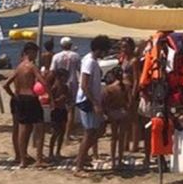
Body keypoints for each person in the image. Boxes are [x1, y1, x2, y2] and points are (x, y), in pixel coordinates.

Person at [4, 42, 49, 167]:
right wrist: (50, 96)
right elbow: (43, 82)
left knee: (22, 129)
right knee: (39, 127)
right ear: (29, 52)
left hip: (19, 99)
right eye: (35, 53)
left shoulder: (18, 67)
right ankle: (38, 159)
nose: (36, 56)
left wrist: (13, 95)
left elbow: (6, 84)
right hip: (30, 98)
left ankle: (22, 159)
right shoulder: (31, 66)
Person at [74, 35, 111, 176]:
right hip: (87, 101)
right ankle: (79, 166)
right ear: (100, 50)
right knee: (89, 132)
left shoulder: (90, 60)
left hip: (91, 99)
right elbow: (84, 84)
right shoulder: (89, 62)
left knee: (99, 129)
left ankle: (82, 157)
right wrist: (95, 103)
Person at [50, 36, 81, 141]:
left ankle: (57, 131)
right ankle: (67, 134)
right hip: (72, 83)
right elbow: (80, 69)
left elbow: (53, 71)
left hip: (59, 84)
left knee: (58, 107)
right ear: (71, 45)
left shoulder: (56, 56)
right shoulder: (76, 56)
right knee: (71, 109)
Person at [102, 66, 130, 170]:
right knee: (121, 138)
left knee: (114, 138)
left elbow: (104, 102)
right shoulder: (126, 86)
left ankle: (113, 161)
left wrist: (106, 113)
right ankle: (120, 160)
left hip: (113, 113)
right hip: (122, 112)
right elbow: (129, 101)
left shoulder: (109, 88)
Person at [119, 37, 140, 153]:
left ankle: (135, 144)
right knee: (125, 118)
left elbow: (137, 79)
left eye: (125, 47)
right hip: (123, 90)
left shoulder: (134, 61)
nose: (123, 49)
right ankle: (125, 143)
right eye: (122, 47)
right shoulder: (123, 59)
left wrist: (133, 94)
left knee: (134, 119)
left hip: (131, 89)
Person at [49, 68, 71, 160]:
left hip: (63, 110)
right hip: (56, 110)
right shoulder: (54, 87)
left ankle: (58, 151)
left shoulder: (65, 87)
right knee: (55, 132)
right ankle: (51, 153)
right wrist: (58, 100)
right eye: (65, 77)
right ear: (59, 77)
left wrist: (66, 99)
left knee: (62, 131)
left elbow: (69, 98)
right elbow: (50, 100)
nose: (66, 79)